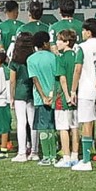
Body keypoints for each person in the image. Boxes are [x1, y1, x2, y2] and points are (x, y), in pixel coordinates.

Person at [71, 18, 96, 172]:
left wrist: (73, 90)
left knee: (87, 123)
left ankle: (86, 160)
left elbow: (78, 69)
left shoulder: (82, 47)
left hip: (87, 89)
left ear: (88, 32)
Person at [27, 31, 60, 165]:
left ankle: (47, 156)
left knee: (43, 127)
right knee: (52, 126)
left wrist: (43, 97)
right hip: (54, 96)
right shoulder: (54, 57)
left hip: (40, 99)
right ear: (45, 43)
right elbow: (57, 78)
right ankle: (54, 155)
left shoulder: (31, 59)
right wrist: (53, 94)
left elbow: (35, 80)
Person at [8, 32, 37, 163]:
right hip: (32, 91)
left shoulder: (15, 61)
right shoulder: (33, 58)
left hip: (19, 92)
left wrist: (11, 96)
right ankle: (34, 151)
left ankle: (22, 152)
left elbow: (12, 81)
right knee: (32, 122)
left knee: (21, 122)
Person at [53, 29, 80, 168]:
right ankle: (75, 156)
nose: (56, 42)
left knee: (63, 127)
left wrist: (68, 96)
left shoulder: (61, 58)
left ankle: (66, 157)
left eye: (59, 40)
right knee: (74, 127)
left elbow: (62, 79)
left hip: (63, 98)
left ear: (67, 42)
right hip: (77, 96)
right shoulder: (77, 56)